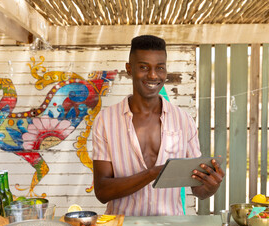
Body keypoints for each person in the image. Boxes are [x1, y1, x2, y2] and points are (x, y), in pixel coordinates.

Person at [92, 35, 224, 216]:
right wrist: (154, 173)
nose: (153, 75)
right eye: (144, 67)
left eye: (160, 68)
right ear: (129, 69)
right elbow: (102, 191)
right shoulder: (105, 120)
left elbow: (198, 190)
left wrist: (211, 186)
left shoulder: (183, 120)